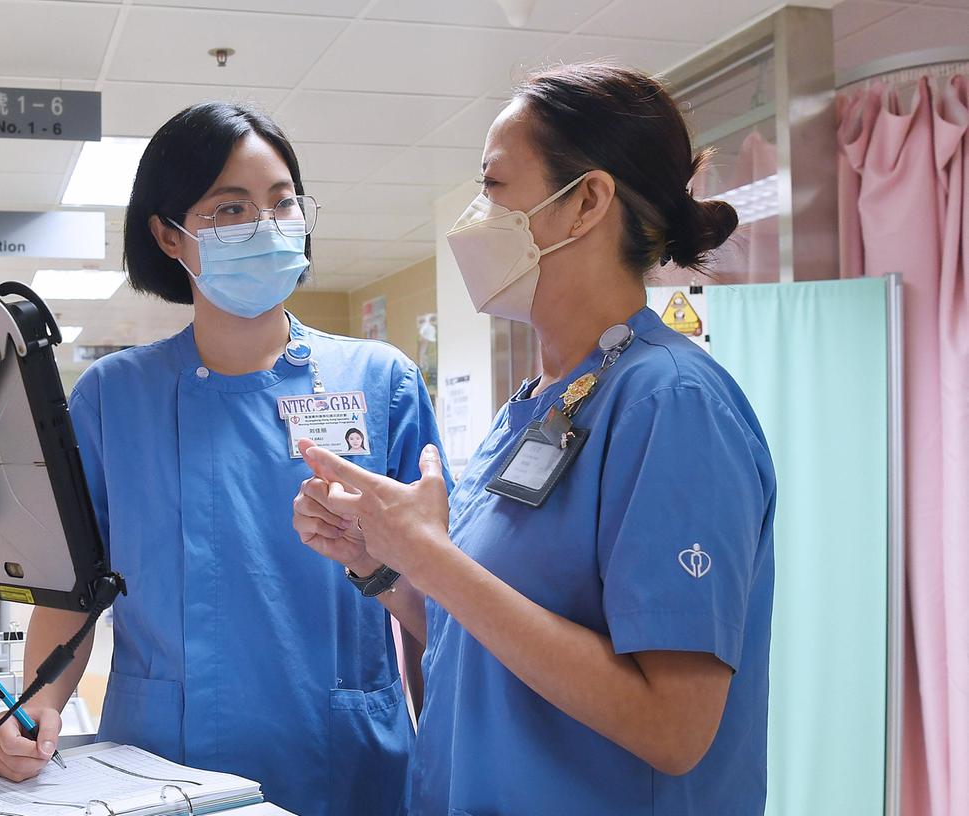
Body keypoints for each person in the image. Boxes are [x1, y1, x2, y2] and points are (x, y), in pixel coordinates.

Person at [292, 63, 776, 815]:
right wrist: (388, 567)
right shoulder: (538, 406)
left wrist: (432, 556)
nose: (474, 216)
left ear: (585, 202)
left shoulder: (670, 403)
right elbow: (482, 640)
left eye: (493, 186)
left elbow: (675, 728)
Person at [0, 101, 445, 816]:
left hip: (345, 761)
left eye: (282, 202)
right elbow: (72, 587)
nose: (264, 225)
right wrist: (35, 703)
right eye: (229, 209)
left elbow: (440, 603)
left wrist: (444, 758)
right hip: (159, 767)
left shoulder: (380, 384)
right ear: (169, 236)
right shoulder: (114, 397)